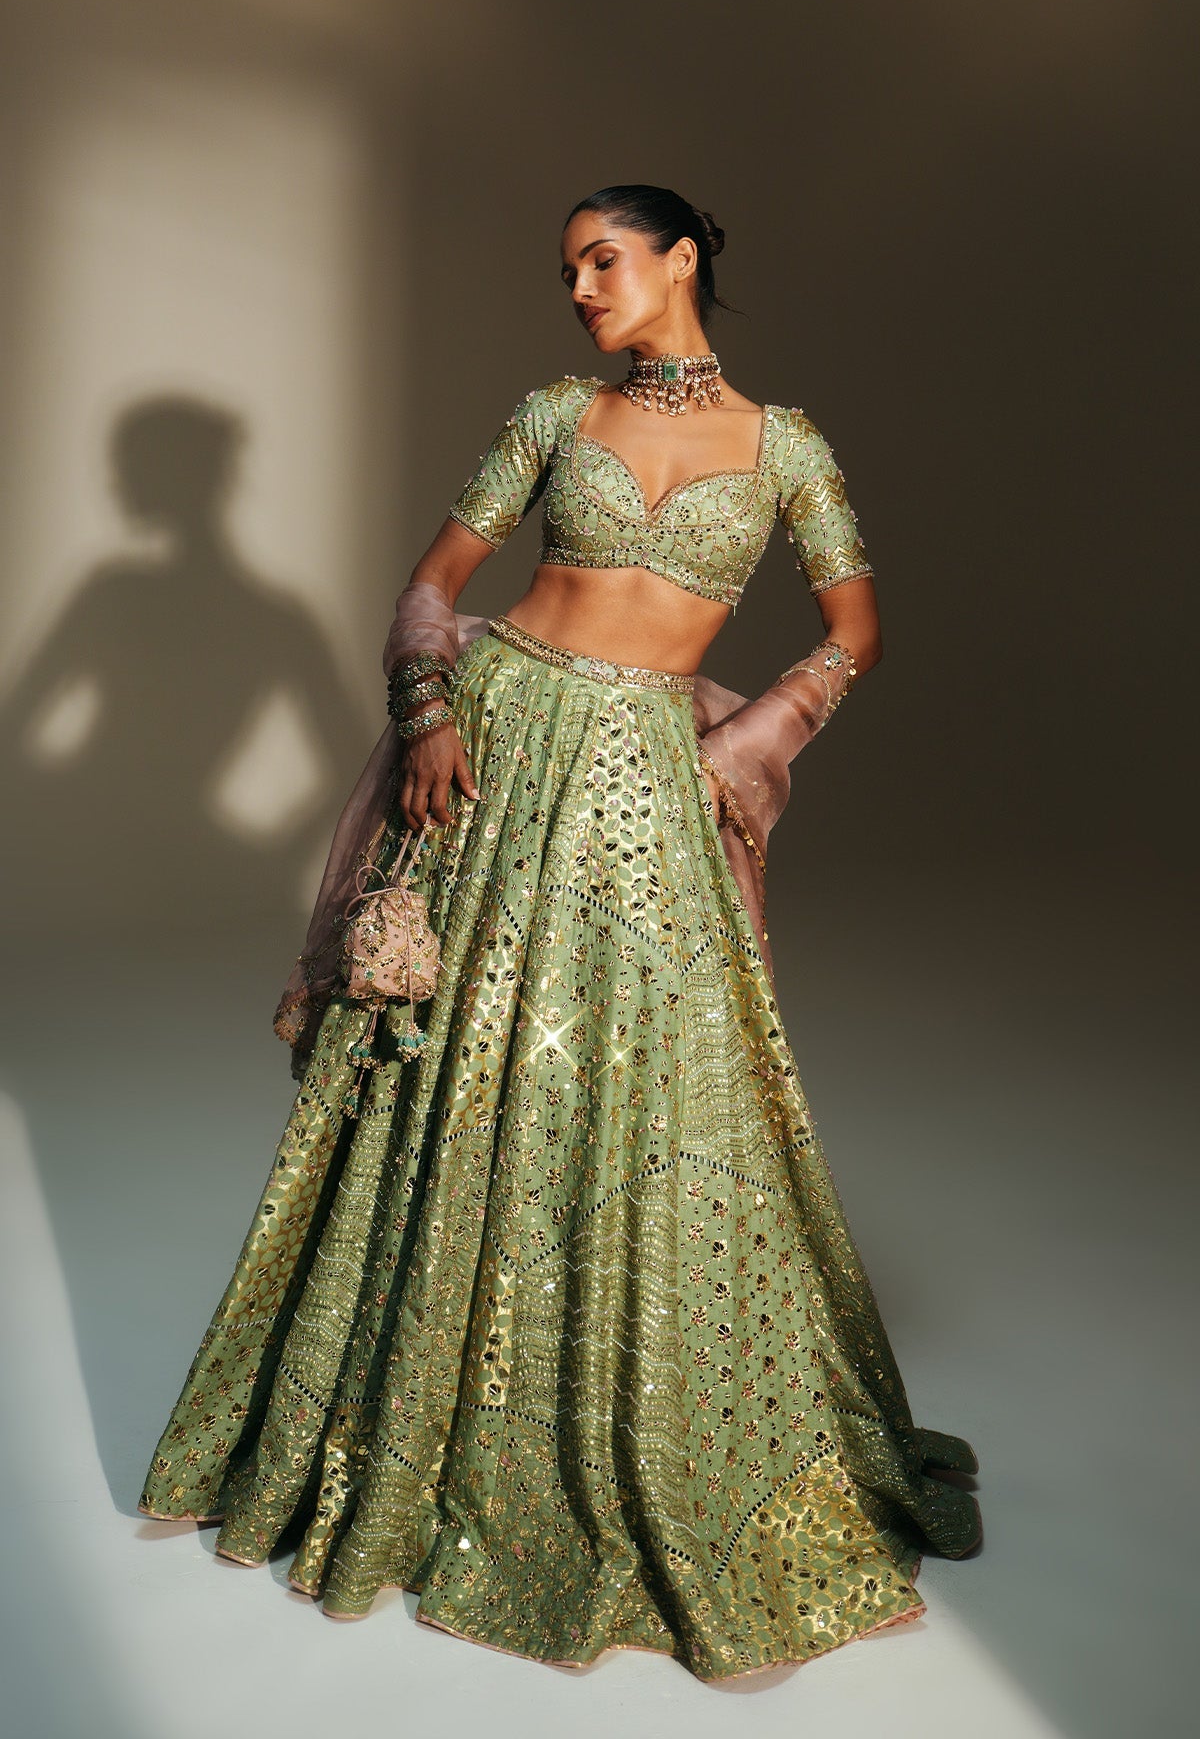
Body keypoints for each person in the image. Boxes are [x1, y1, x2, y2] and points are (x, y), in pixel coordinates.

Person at [138, 183, 981, 1682]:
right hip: (500, 747)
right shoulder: (552, 417)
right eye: (571, 268)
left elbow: (854, 627)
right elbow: (433, 584)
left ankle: (622, 1417)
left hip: (649, 775)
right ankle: (399, 1427)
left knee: (657, 1091)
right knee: (443, 1076)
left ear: (681, 259)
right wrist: (425, 712)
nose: (582, 287)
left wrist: (760, 735)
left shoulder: (787, 450)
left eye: (605, 259)